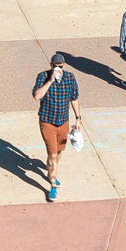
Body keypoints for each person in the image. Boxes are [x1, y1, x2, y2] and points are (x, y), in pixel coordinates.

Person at [31, 51, 81, 202]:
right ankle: (52, 185)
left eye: (60, 66)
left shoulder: (70, 78)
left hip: (63, 121)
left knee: (58, 151)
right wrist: (51, 80)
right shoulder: (43, 77)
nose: (57, 68)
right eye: (54, 66)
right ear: (51, 65)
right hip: (47, 121)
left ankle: (50, 170)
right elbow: (37, 96)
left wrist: (78, 118)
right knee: (52, 154)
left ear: (64, 65)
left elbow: (74, 98)